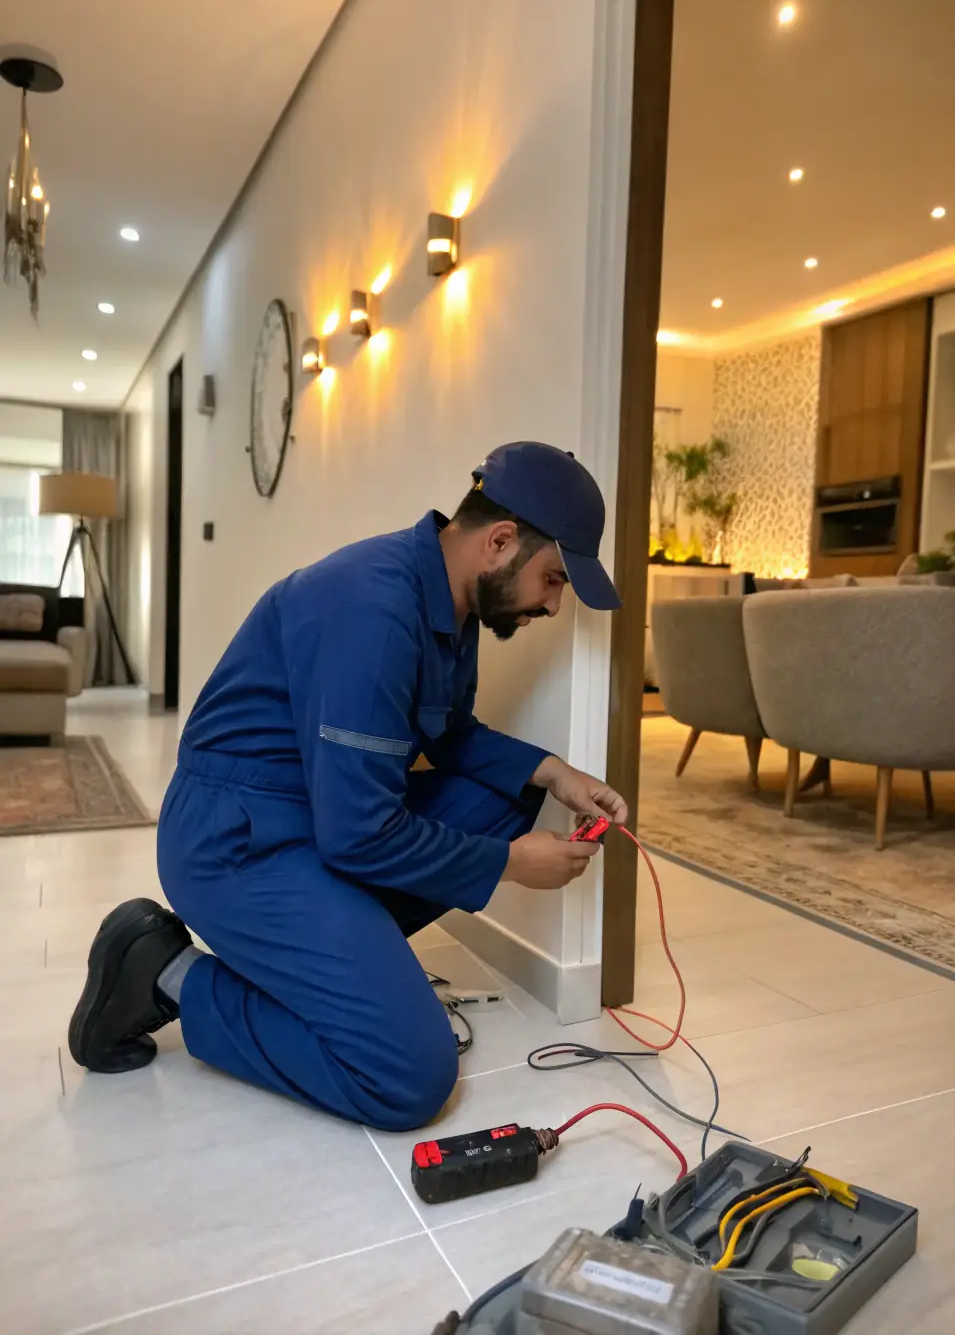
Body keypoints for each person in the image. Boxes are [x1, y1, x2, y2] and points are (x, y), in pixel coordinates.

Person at [69, 442, 627, 1131]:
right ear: (501, 542)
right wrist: (511, 863)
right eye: (553, 579)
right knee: (408, 1076)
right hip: (235, 843)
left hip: (316, 817)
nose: (554, 602)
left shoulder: (449, 604)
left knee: (503, 793)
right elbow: (359, 832)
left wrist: (556, 772)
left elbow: (450, 735)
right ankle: (164, 972)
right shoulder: (374, 609)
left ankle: (340, 955)